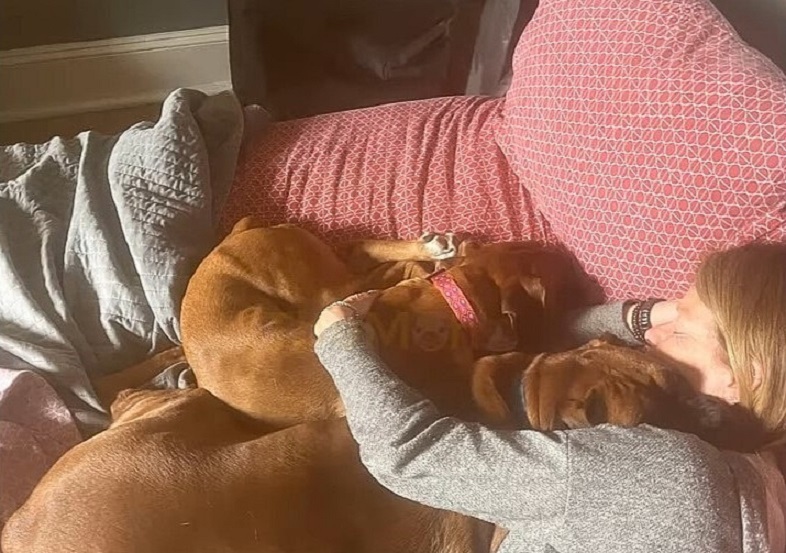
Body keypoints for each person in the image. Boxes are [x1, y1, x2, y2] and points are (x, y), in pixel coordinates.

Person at [313, 242, 786, 552]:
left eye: (679, 327)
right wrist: (651, 314)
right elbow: (560, 343)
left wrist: (339, 337)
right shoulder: (756, 481)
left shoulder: (672, 475)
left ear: (747, 376)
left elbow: (411, 453)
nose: (654, 335)